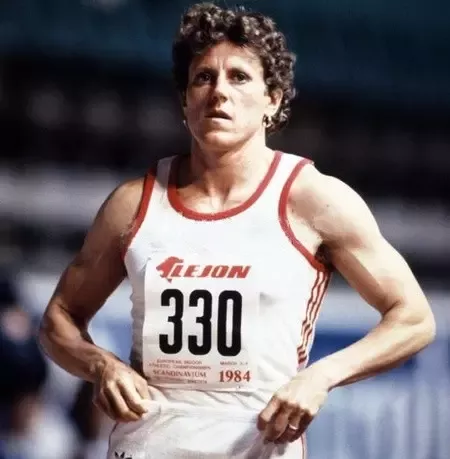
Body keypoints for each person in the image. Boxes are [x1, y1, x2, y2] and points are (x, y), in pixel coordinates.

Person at [39, 3, 436, 458]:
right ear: (185, 100)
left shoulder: (313, 200)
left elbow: (414, 318)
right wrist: (100, 365)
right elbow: (58, 319)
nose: (219, 92)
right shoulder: (133, 204)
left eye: (239, 77)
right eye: (203, 78)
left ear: (273, 100)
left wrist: (320, 377)